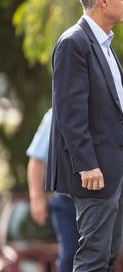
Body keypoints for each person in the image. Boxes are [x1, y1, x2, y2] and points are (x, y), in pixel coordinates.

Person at [47, 0, 123, 271]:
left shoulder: (104, 43)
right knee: (93, 256)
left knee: (105, 256)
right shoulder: (73, 43)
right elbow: (70, 115)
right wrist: (87, 164)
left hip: (113, 168)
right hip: (94, 173)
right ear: (104, 0)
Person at [26, 109, 79, 272]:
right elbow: (37, 160)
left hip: (99, 199)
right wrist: (36, 198)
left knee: (102, 256)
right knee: (70, 254)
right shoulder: (54, 115)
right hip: (66, 201)